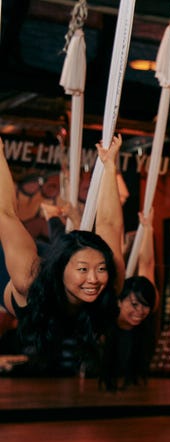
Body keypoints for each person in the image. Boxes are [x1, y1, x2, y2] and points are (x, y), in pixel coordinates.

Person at [1, 135, 126, 378]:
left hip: (58, 264)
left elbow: (109, 224)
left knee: (75, 247)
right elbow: (5, 213)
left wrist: (109, 164)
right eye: (83, 270)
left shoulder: (111, 280)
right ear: (61, 269)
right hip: (15, 279)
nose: (94, 279)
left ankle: (59, 231)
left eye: (100, 268)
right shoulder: (29, 280)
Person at [103, 208, 158, 389]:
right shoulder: (107, 305)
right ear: (120, 300)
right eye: (134, 305)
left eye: (144, 306)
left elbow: (147, 264)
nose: (140, 312)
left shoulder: (151, 300)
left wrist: (148, 228)